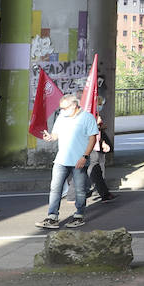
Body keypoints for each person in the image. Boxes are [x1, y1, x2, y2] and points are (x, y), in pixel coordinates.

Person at [34, 93, 99, 230]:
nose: (62, 110)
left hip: (79, 160)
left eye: (64, 108)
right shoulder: (61, 117)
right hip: (61, 159)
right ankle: (52, 217)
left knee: (80, 190)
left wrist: (85, 156)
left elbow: (92, 138)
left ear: (74, 105)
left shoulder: (87, 117)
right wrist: (50, 137)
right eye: (61, 108)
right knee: (55, 189)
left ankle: (79, 215)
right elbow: (56, 135)